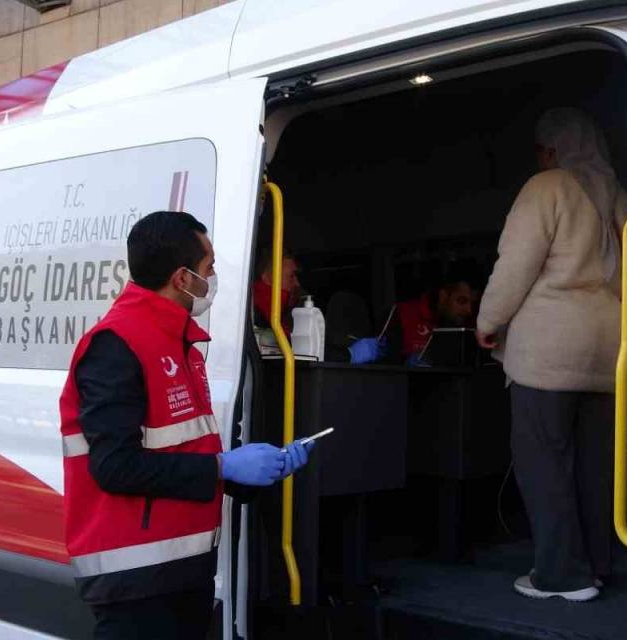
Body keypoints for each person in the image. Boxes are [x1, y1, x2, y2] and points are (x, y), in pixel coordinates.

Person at [59, 211, 314, 640]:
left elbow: (186, 452)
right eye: (208, 267)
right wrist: (223, 467)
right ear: (181, 278)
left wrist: (251, 472)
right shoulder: (116, 344)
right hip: (135, 580)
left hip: (183, 573)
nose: (212, 278)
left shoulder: (182, 345)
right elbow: (114, 466)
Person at [476, 107, 627, 601]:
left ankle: (562, 575)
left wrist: (488, 321)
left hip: (548, 349)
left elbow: (516, 264)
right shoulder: (622, 198)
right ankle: (597, 566)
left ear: (552, 149)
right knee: (596, 467)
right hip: (610, 350)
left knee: (544, 464)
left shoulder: (547, 187)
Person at [347, 266, 482, 365]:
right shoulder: (401, 314)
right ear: (443, 296)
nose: (469, 310)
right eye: (462, 301)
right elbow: (382, 361)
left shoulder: (473, 324)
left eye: (473, 303)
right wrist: (407, 364)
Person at [253, 250, 301, 333]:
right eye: (291, 276)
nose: (297, 284)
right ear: (266, 277)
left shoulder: (281, 315)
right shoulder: (257, 318)